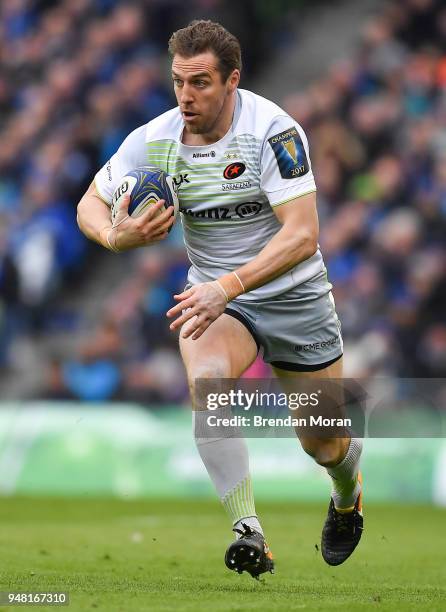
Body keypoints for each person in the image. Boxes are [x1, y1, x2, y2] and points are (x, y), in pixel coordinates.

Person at [77, 19, 363, 579]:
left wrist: (226, 286)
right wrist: (115, 236)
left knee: (324, 445)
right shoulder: (153, 140)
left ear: (232, 81)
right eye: (179, 82)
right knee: (208, 386)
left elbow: (303, 234)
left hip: (294, 296)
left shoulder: (274, 132)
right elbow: (89, 200)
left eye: (201, 82)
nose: (187, 96)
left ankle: (348, 494)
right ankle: (248, 532)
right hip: (217, 302)